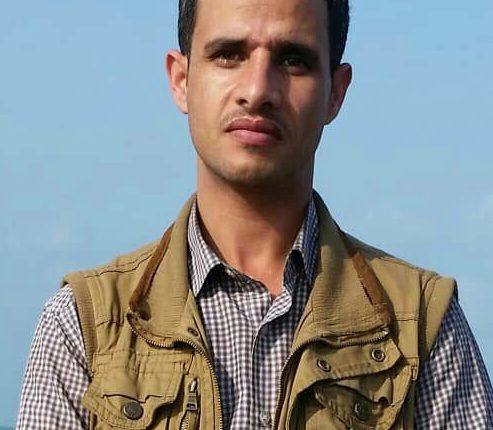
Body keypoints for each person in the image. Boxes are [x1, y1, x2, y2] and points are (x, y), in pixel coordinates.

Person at [17, 0, 493, 428]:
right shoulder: (85, 326)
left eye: (293, 59)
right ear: (181, 79)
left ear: (336, 92)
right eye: (229, 54)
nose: (257, 89)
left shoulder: (421, 324)